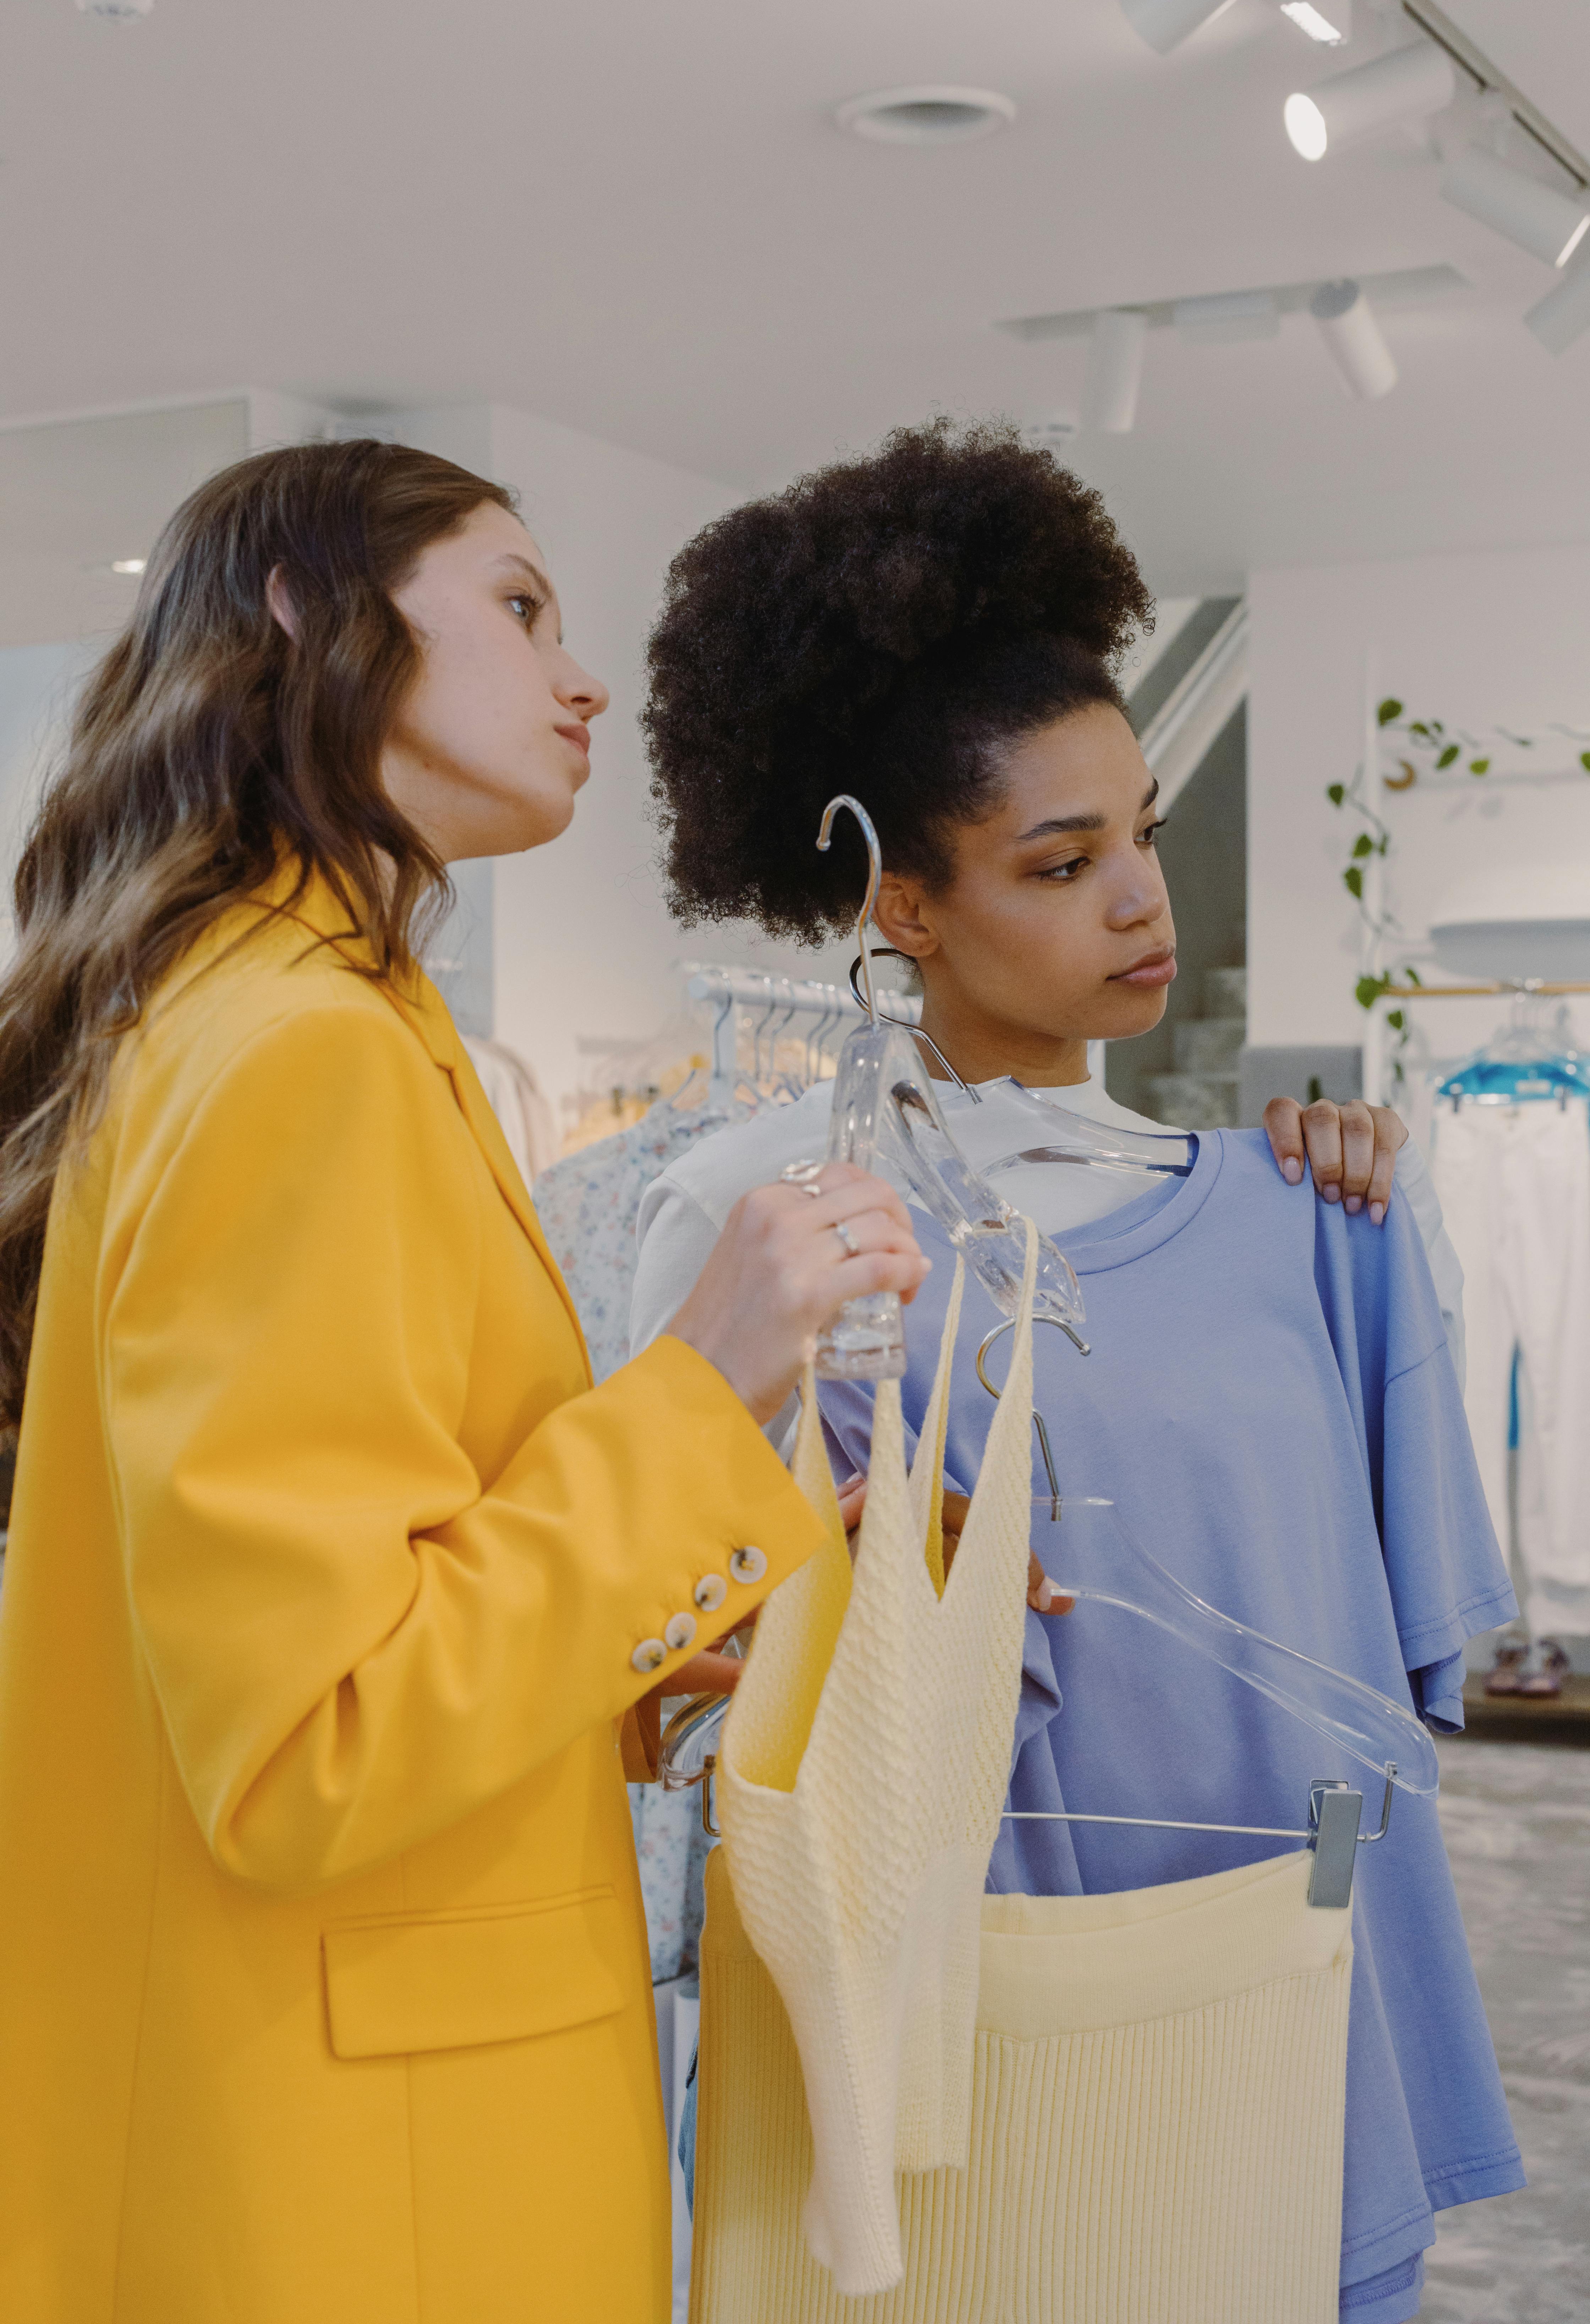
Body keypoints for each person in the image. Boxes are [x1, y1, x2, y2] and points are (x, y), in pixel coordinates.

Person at [0, 440, 928, 2324]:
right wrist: (701, 1385)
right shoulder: (299, 1056)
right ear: (305, 617)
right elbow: (309, 1743)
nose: (581, 679)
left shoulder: (306, 1019)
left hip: (322, 2120)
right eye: (518, 606)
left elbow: (351, 1605)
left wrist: (639, 1658)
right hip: (358, 2185)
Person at [631, 423, 1521, 2324]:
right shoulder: (795, 1250)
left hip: (1303, 2011)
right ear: (903, 907)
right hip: (990, 2058)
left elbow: (1407, 1682)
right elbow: (682, 1685)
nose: (1143, 904)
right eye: (1064, 859)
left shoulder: (1325, 1219)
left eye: (1146, 840)